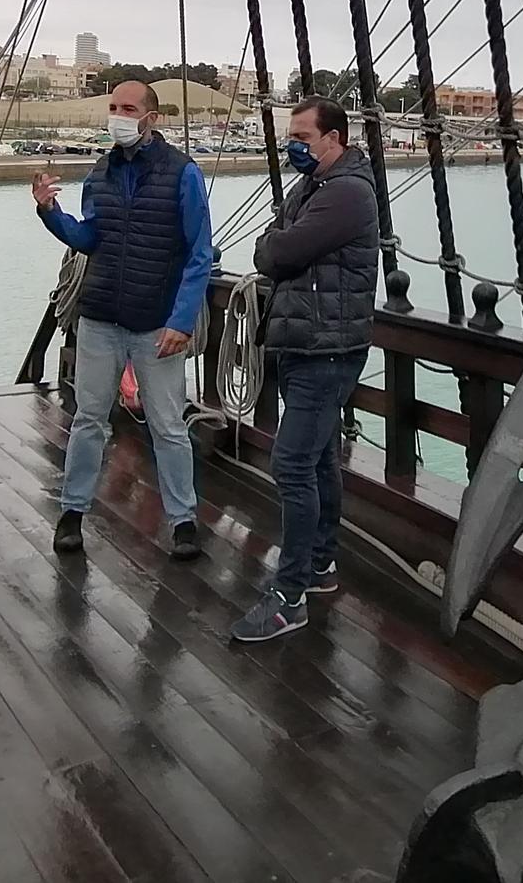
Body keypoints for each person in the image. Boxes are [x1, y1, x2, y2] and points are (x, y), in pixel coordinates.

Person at [34, 80, 214, 561]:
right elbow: (89, 237)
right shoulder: (100, 173)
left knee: (168, 426)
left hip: (155, 323)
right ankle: (72, 513)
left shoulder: (183, 174)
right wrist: (50, 212)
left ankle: (183, 521)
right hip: (101, 317)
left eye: (128, 108)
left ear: (150, 117)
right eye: (113, 107)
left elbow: (200, 253)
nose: (118, 115)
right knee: (89, 418)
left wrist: (182, 320)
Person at [231, 96, 380, 642]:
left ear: (334, 138)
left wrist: (275, 246)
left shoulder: (345, 193)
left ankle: (289, 597)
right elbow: (277, 244)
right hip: (308, 341)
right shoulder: (314, 187)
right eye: (291, 135)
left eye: (303, 136)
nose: (294, 145)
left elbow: (276, 253)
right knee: (316, 461)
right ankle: (319, 567)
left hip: (327, 347)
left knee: (292, 466)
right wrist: (276, 244)